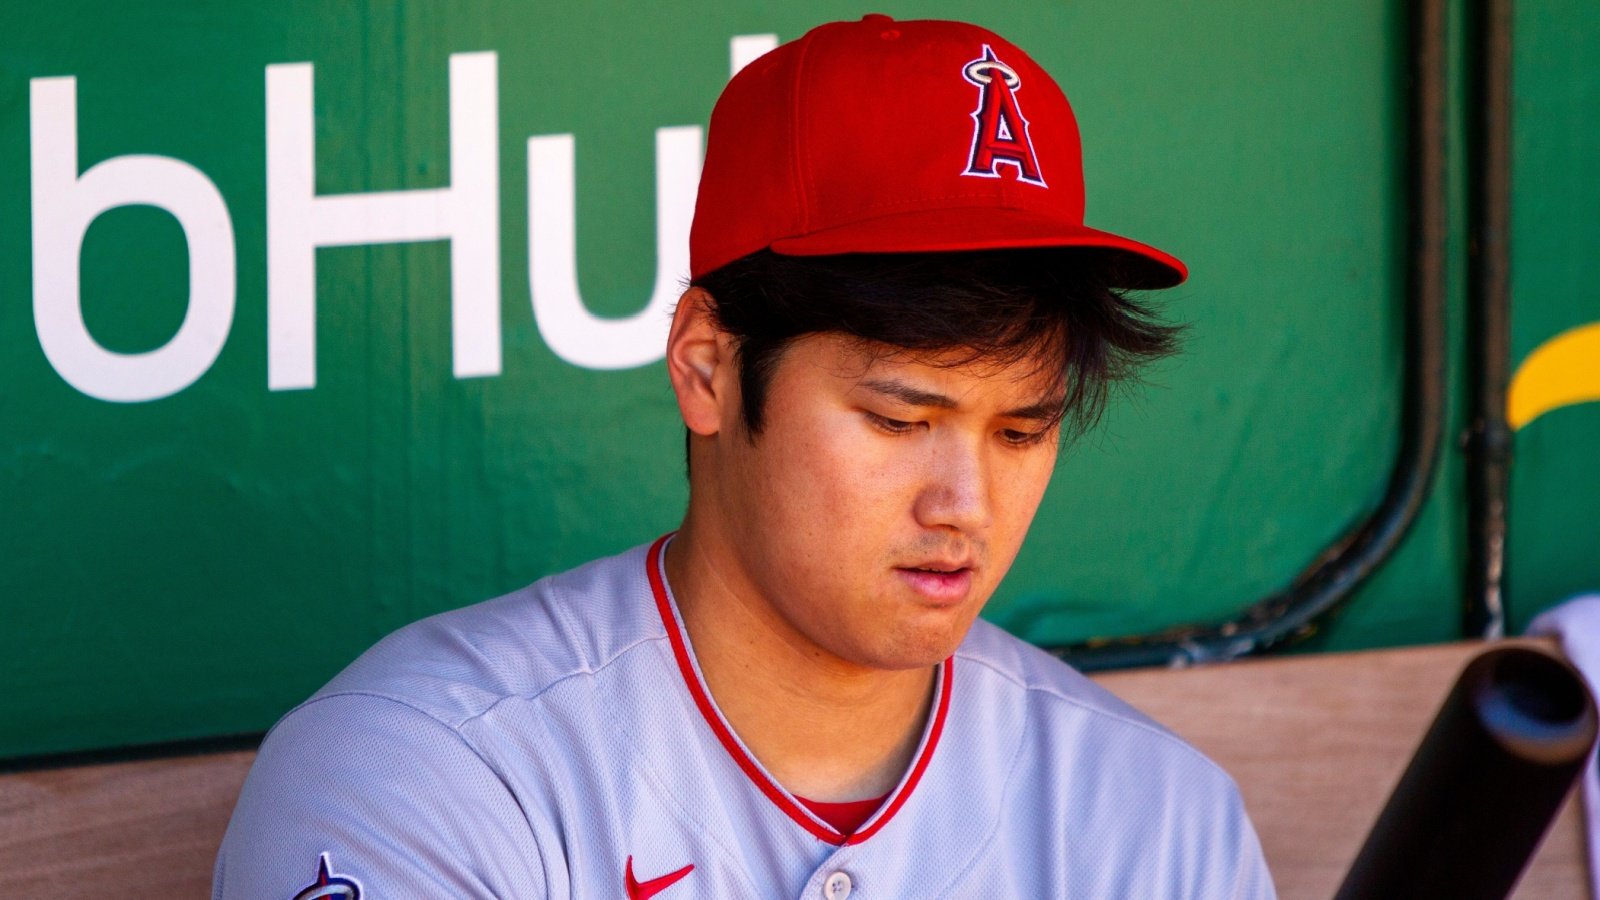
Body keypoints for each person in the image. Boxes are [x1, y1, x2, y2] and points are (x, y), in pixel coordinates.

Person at [215, 15, 1275, 899]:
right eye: (900, 419)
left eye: (1021, 431)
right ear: (708, 366)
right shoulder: (427, 768)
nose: (964, 505)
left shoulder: (1156, 819)